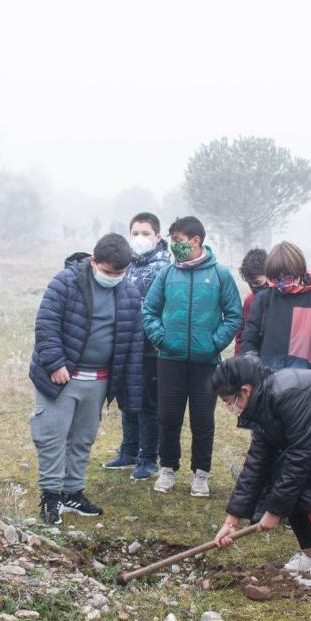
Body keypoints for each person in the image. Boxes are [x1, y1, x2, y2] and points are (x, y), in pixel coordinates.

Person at [211, 357, 311, 587]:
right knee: (283, 480)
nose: (228, 408)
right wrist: (232, 520)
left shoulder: (286, 394)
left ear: (244, 391)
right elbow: (257, 461)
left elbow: (299, 459)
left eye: (228, 401)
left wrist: (274, 512)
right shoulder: (262, 400)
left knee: (304, 484)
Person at [29, 234, 144, 524]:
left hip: (99, 380)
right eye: (107, 272)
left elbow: (132, 344)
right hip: (61, 378)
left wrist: (129, 393)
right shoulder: (65, 283)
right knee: (52, 437)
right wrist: (55, 363)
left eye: (120, 273)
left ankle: (72, 492)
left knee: (82, 440)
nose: (114, 278)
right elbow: (47, 324)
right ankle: (51, 497)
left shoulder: (129, 294)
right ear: (94, 262)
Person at [141, 216, 243, 497]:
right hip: (169, 360)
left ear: (196, 241)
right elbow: (149, 311)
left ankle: (201, 474)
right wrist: (162, 339)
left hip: (206, 363)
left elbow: (234, 315)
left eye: (178, 241)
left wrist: (214, 343)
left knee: (202, 420)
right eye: (173, 242)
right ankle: (167, 469)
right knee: (168, 416)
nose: (174, 247)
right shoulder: (167, 275)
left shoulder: (220, 275)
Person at [104, 212, 170, 481]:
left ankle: (148, 457)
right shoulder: (125, 264)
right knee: (126, 399)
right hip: (124, 343)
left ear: (157, 236)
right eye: (135, 233)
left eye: (145, 233)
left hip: (150, 348)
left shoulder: (165, 267)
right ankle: (128, 451)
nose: (139, 238)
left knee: (147, 403)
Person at [240, 241, 311, 369]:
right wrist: (253, 369)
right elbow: (249, 340)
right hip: (267, 381)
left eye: (287, 279)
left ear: (300, 272)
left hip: (306, 383)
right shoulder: (262, 301)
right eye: (275, 279)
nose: (281, 284)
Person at [234, 248, 268, 356]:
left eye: (258, 282)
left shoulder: (281, 300)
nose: (254, 287)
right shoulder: (250, 301)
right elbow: (241, 335)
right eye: (250, 284)